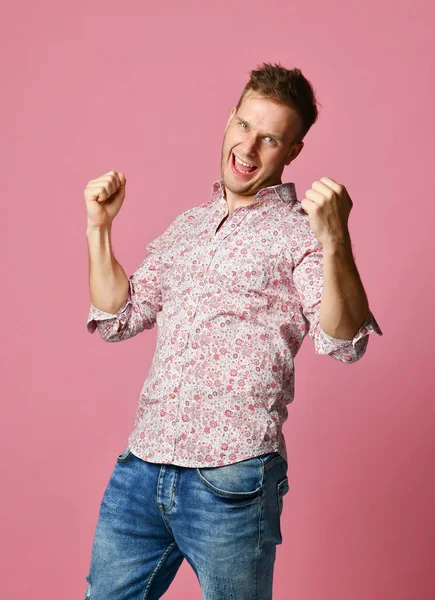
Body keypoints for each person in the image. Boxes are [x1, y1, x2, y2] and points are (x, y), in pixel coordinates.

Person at [83, 62, 383, 600]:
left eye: (271, 139)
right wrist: (99, 228)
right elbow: (119, 318)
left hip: (231, 481)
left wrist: (336, 239)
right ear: (229, 120)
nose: (249, 147)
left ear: (292, 152)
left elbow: (344, 341)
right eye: (245, 125)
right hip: (141, 469)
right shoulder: (188, 226)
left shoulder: (302, 233)